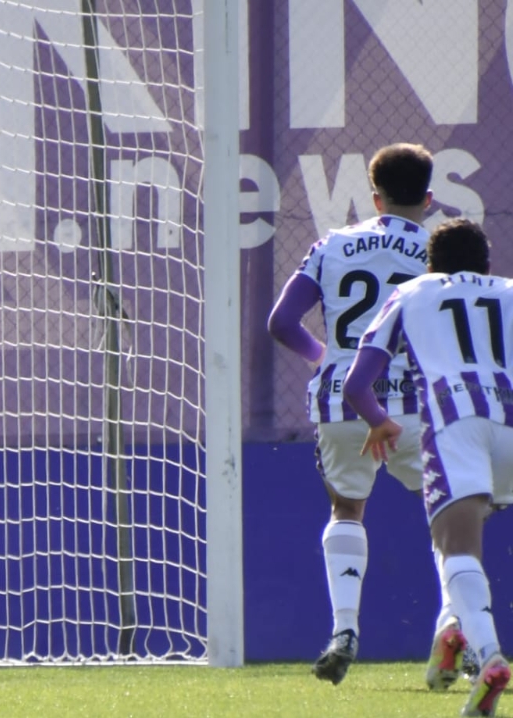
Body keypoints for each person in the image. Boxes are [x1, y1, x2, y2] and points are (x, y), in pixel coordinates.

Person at [265, 143, 468, 687]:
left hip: (342, 399)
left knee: (347, 509)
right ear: (429, 198)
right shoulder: (436, 250)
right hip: (415, 405)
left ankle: (344, 631)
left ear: (374, 197)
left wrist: (325, 359)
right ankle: (456, 627)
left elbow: (281, 322)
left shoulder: (332, 245)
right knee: (453, 517)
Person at [346, 218, 513, 717]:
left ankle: (489, 656)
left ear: (430, 264)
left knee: (456, 546)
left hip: (455, 421)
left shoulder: (412, 293)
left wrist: (378, 421)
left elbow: (357, 383)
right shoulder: (509, 291)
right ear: (487, 263)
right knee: (462, 539)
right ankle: (450, 629)